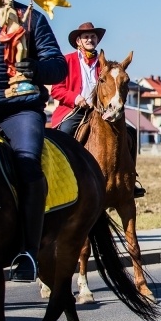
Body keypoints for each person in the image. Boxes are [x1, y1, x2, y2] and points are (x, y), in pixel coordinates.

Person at [0, 0, 68, 281]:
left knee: (28, 164)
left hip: (19, 111)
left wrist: (34, 68)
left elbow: (58, 67)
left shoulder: (30, 17)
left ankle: (27, 252)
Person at [51, 22, 146, 197]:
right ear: (78, 41)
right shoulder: (67, 60)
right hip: (74, 110)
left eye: (93, 36)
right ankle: (61, 178)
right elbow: (56, 90)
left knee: (130, 133)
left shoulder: (105, 65)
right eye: (86, 37)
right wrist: (76, 98)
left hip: (101, 111)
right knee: (65, 132)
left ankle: (130, 180)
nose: (90, 39)